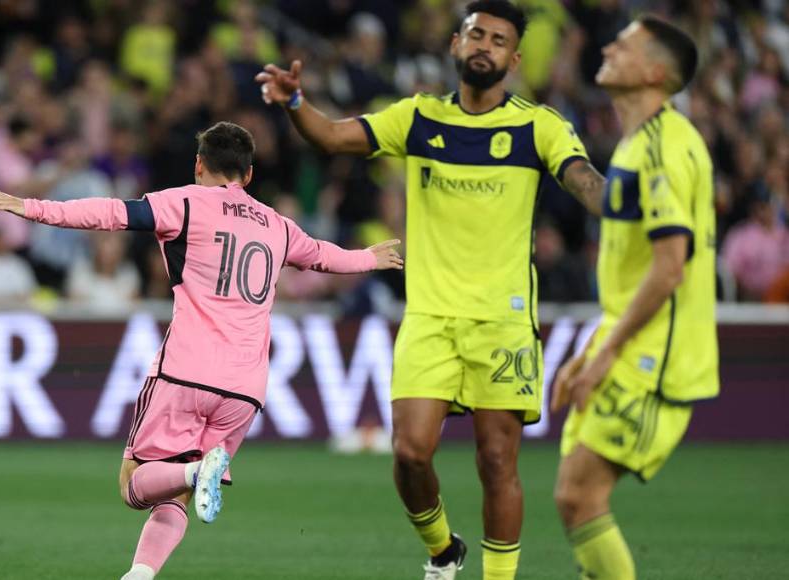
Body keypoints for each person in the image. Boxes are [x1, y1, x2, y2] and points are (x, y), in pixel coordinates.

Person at [256, 2, 606, 579]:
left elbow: (583, 179)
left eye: (498, 39)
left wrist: (623, 204)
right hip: (431, 317)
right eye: (476, 34)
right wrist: (296, 101)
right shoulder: (417, 118)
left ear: (514, 59)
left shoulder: (538, 125)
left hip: (504, 320)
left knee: (497, 461)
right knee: (410, 452)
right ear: (454, 44)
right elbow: (335, 138)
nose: (484, 46)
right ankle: (444, 549)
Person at [0, 121, 403, 580]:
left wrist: (31, 208)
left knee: (135, 485)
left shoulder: (183, 202)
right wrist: (368, 258)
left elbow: (111, 213)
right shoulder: (277, 225)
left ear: (199, 165)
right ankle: (140, 573)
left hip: (186, 370)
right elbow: (323, 255)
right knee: (177, 495)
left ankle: (193, 473)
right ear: (250, 175)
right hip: (245, 388)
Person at [551, 16, 719, 580]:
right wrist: (591, 347)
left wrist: (606, 354)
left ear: (653, 71)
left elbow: (670, 270)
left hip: (657, 360)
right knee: (574, 496)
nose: (606, 48)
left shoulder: (663, 150)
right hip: (631, 344)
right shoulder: (635, 144)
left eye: (622, 46)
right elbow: (638, 273)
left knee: (579, 496)